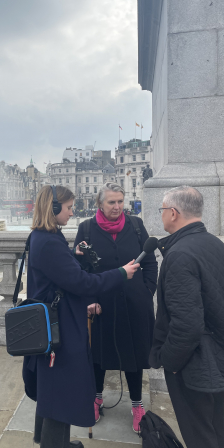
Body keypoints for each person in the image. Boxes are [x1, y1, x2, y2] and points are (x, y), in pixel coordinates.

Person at [23, 185, 140, 448]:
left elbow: (58, 275)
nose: (72, 212)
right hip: (59, 327)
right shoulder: (50, 242)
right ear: (53, 209)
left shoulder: (41, 237)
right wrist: (121, 274)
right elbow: (81, 283)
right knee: (59, 391)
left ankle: (54, 444)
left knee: (52, 388)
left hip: (51, 322)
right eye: (69, 207)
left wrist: (72, 260)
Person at [150, 186, 224, 448]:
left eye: (163, 210)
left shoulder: (179, 255)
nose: (162, 215)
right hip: (216, 354)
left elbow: (186, 323)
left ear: (173, 213)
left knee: (199, 438)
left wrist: (171, 361)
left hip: (191, 363)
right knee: (213, 431)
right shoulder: (215, 244)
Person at [74, 182, 158, 433]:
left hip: (135, 303)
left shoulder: (136, 225)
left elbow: (151, 262)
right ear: (100, 204)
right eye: (111, 202)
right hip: (101, 304)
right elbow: (78, 269)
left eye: (120, 201)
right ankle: (96, 398)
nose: (117, 207)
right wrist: (88, 300)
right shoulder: (86, 228)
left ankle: (137, 404)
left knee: (134, 355)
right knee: (98, 355)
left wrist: (147, 293)